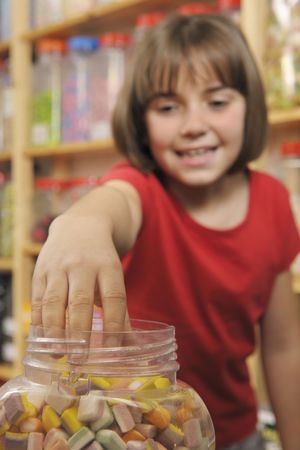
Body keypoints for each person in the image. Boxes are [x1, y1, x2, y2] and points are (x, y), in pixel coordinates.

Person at [31, 13, 300, 450]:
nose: (194, 124)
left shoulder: (272, 201)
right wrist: (80, 224)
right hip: (140, 435)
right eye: (168, 107)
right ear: (142, 121)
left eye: (217, 101)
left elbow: (285, 345)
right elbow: (112, 203)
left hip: (237, 435)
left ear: (250, 105)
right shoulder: (141, 188)